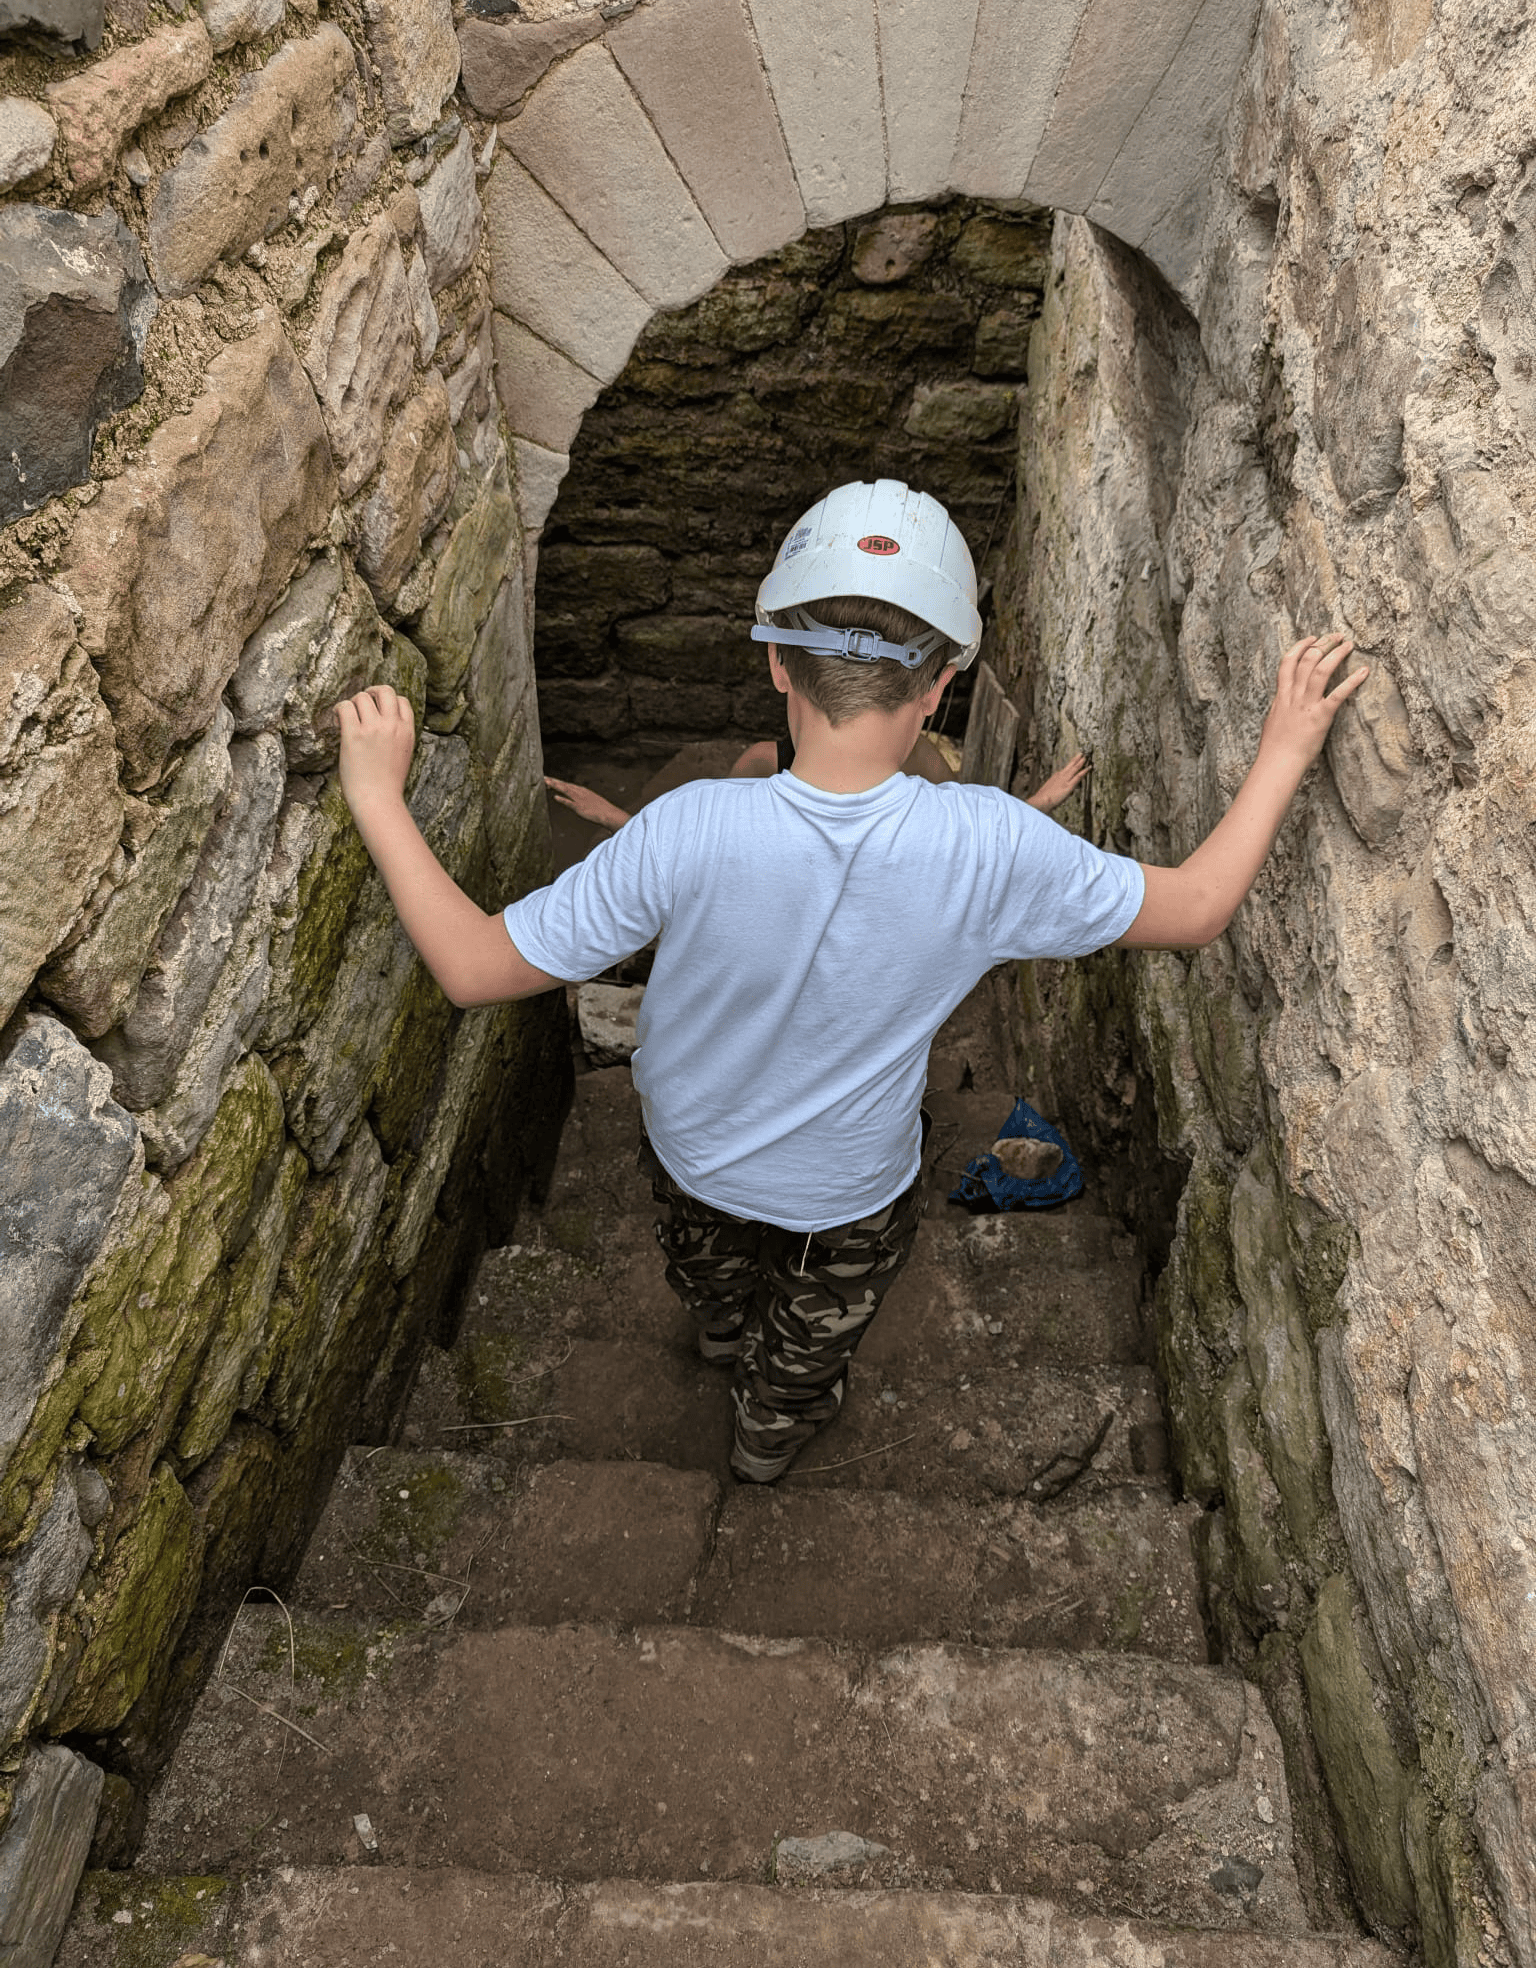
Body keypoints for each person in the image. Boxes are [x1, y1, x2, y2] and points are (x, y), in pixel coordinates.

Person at [335, 479, 1364, 1485]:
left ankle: (725, 1334)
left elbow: (472, 967)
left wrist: (378, 793)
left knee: (715, 1289)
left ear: (778, 665)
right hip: (850, 1194)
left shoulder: (684, 826)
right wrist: (1283, 749)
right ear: (938, 688)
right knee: (809, 1341)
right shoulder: (990, 845)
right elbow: (1196, 906)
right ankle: (767, 1435)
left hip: (691, 1155)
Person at [544, 728, 1089, 832]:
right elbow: (710, 835)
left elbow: (968, 824)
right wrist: (614, 816)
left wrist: (1038, 801)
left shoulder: (913, 760)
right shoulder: (765, 761)